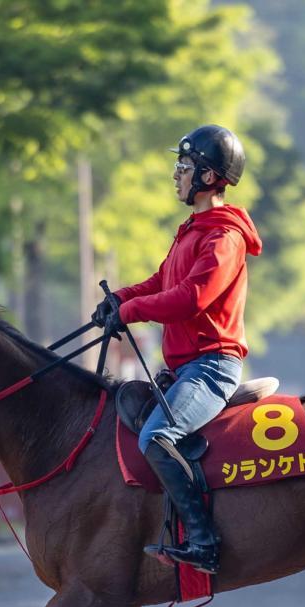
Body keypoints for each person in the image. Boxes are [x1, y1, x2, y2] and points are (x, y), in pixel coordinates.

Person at [94, 124, 262, 574]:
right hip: (186, 368)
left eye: (184, 167)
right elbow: (161, 282)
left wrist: (132, 313)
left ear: (208, 177)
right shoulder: (193, 230)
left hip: (212, 368)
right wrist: (120, 299)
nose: (176, 176)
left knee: (157, 436)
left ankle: (204, 543)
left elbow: (192, 297)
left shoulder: (224, 237)